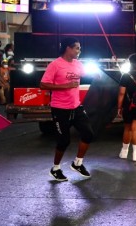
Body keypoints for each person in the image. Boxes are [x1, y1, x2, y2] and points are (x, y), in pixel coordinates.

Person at [41, 38, 98, 182]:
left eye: (79, 48)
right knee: (64, 141)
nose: (79, 51)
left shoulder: (78, 64)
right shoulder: (55, 65)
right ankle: (55, 169)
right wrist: (65, 86)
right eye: (77, 48)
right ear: (68, 48)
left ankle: (77, 163)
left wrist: (96, 75)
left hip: (76, 106)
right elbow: (43, 85)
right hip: (60, 108)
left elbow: (86, 74)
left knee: (88, 134)